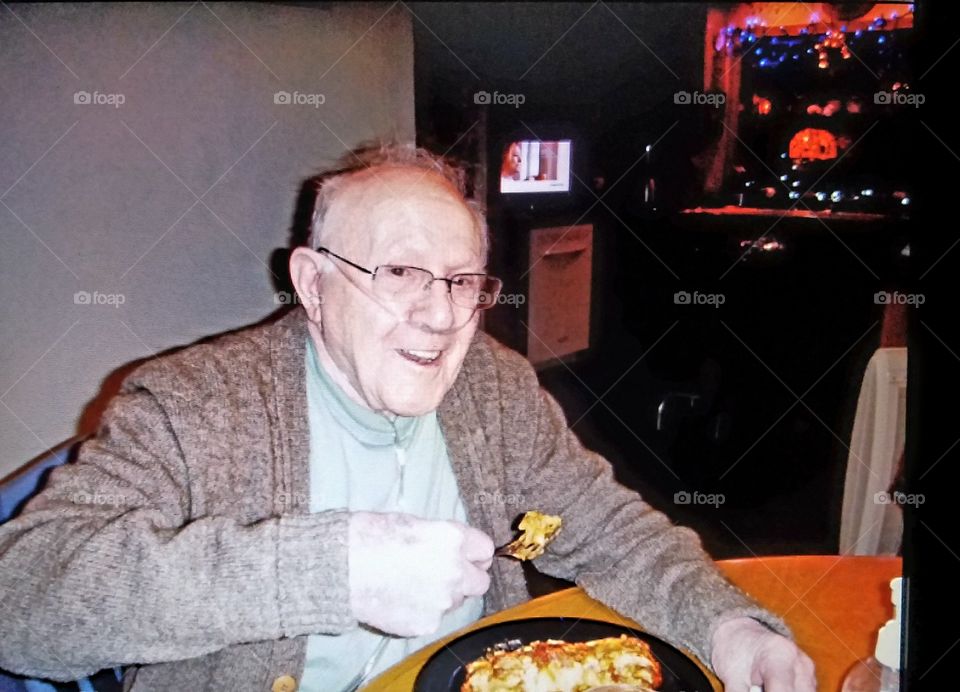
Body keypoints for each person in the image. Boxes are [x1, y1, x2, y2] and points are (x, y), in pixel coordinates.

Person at [0, 144, 815, 692]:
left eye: (463, 280)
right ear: (314, 285)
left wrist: (729, 626)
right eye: (399, 272)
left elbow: (609, 530)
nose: (441, 315)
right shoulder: (193, 406)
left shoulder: (493, 389)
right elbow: (21, 602)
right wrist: (326, 572)